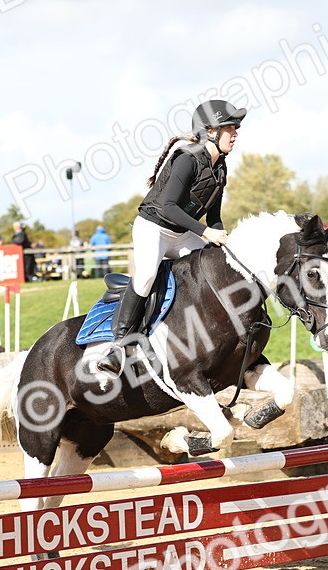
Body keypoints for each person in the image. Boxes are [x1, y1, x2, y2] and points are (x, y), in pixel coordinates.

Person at [97, 99, 246, 375]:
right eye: (230, 128)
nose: (235, 133)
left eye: (236, 128)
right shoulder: (187, 159)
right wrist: (205, 232)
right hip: (153, 227)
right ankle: (118, 346)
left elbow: (213, 217)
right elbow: (168, 208)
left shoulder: (220, 169)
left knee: (212, 267)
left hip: (181, 233)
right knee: (145, 277)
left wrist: (223, 239)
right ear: (210, 131)